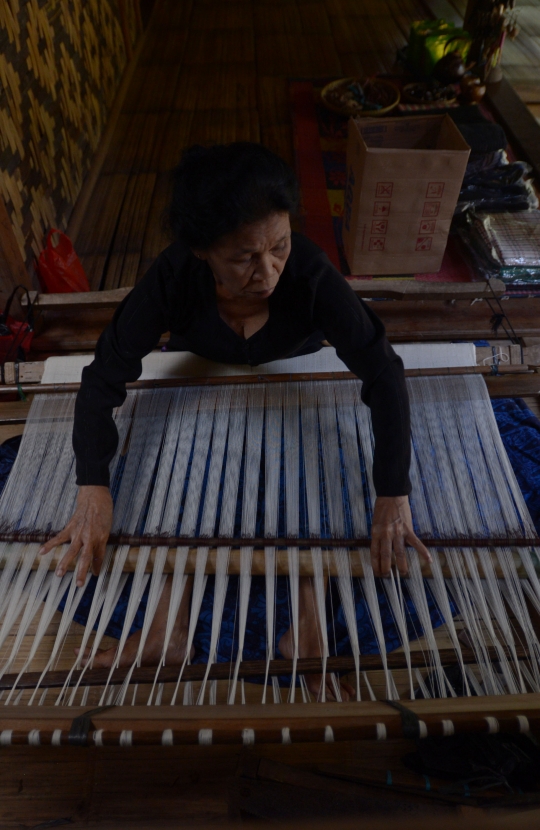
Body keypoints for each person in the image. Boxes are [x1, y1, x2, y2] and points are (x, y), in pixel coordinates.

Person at [40, 142, 431, 701]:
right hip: (204, 384)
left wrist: (393, 493)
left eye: (279, 246)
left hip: (299, 381)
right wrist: (93, 487)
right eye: (245, 257)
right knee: (179, 483)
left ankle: (309, 634)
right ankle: (164, 634)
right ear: (202, 251)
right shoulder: (173, 276)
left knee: (317, 473)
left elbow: (383, 373)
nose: (268, 270)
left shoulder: (310, 274)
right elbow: (103, 379)